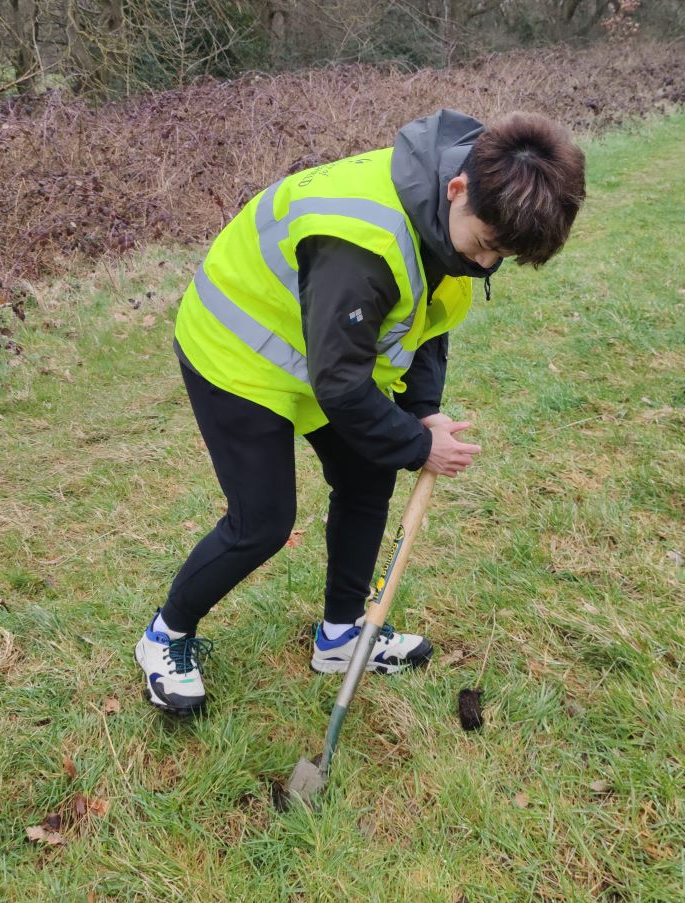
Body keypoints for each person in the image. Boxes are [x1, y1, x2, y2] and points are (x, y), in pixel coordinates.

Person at [136, 109, 586, 715]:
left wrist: (421, 412)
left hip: (320, 350)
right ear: (458, 189)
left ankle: (341, 636)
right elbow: (342, 387)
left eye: (500, 257)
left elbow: (428, 318)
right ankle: (166, 636)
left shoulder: (464, 203)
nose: (484, 265)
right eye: (484, 246)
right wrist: (422, 446)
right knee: (263, 522)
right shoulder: (361, 244)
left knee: (369, 471)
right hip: (237, 349)